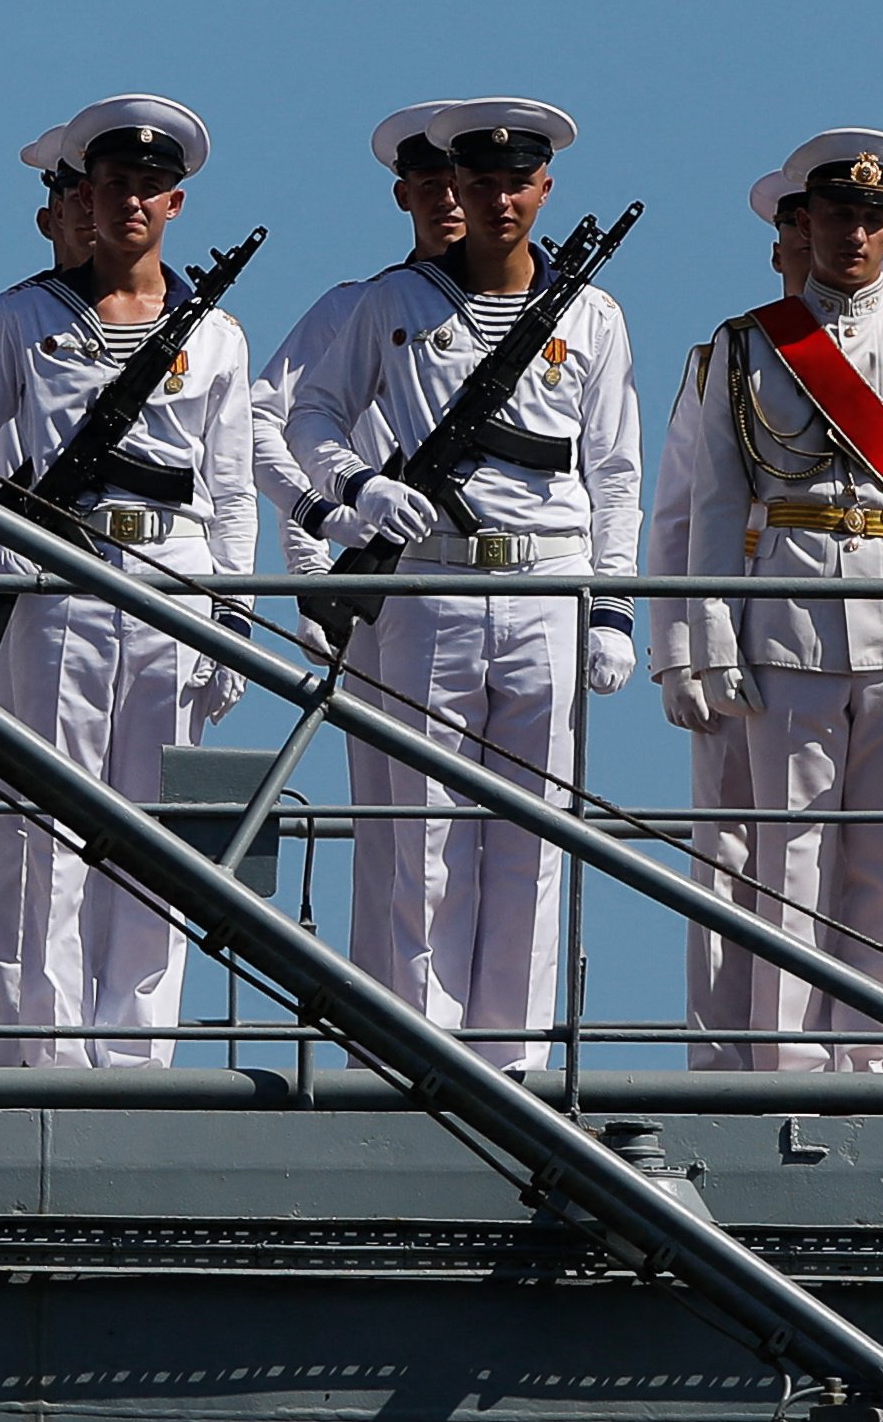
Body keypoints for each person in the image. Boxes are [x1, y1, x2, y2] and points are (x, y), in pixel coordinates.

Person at [274, 99, 641, 1066]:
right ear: (454, 191)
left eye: (518, 183)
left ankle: (512, 1056)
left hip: (547, 591)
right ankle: (413, 1044)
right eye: (479, 184)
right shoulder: (389, 305)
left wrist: (611, 608)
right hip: (428, 586)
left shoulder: (592, 314)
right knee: (418, 832)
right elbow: (304, 417)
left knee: (531, 830)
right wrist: (356, 487)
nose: (499, 200)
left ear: (545, 190)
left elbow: (613, 473)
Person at [0, 94, 266, 1066]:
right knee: (42, 833)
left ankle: (136, 1050)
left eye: (150, 188)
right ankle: (40, 1050)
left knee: (157, 835)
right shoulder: (9, 321)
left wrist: (232, 614)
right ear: (84, 195)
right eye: (113, 184)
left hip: (169, 587)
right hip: (48, 588)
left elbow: (231, 488)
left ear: (176, 203)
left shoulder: (220, 336)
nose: (130, 203)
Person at [654, 126, 883, 1073]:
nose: (855, 233)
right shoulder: (749, 346)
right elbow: (716, 505)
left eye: (874, 217)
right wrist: (709, 643)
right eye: (839, 214)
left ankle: (877, 1067)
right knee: (791, 864)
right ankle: (789, 1069)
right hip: (786, 629)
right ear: (806, 222)